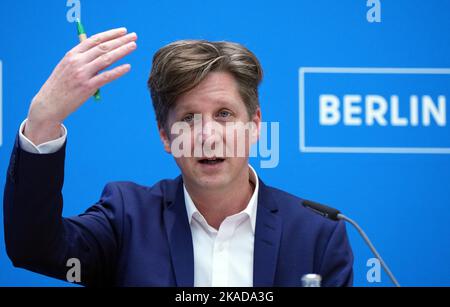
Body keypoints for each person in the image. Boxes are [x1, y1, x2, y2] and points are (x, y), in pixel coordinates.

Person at [3, 27, 353, 287]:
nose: (207, 135)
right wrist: (44, 120)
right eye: (188, 119)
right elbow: (33, 248)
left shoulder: (317, 236)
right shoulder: (127, 219)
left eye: (225, 115)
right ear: (165, 135)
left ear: (255, 124)